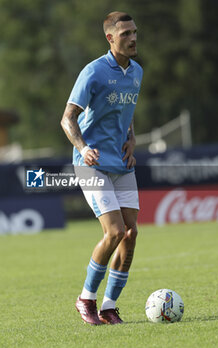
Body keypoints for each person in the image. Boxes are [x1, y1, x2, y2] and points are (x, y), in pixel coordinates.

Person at [61, 11, 143, 325]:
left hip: (122, 164)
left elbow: (127, 109)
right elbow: (67, 118)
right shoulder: (93, 72)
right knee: (115, 232)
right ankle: (86, 299)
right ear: (110, 38)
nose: (133, 38)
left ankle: (109, 307)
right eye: (125, 34)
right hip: (91, 164)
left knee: (131, 234)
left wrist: (132, 139)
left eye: (134, 32)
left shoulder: (136, 71)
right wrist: (83, 148)